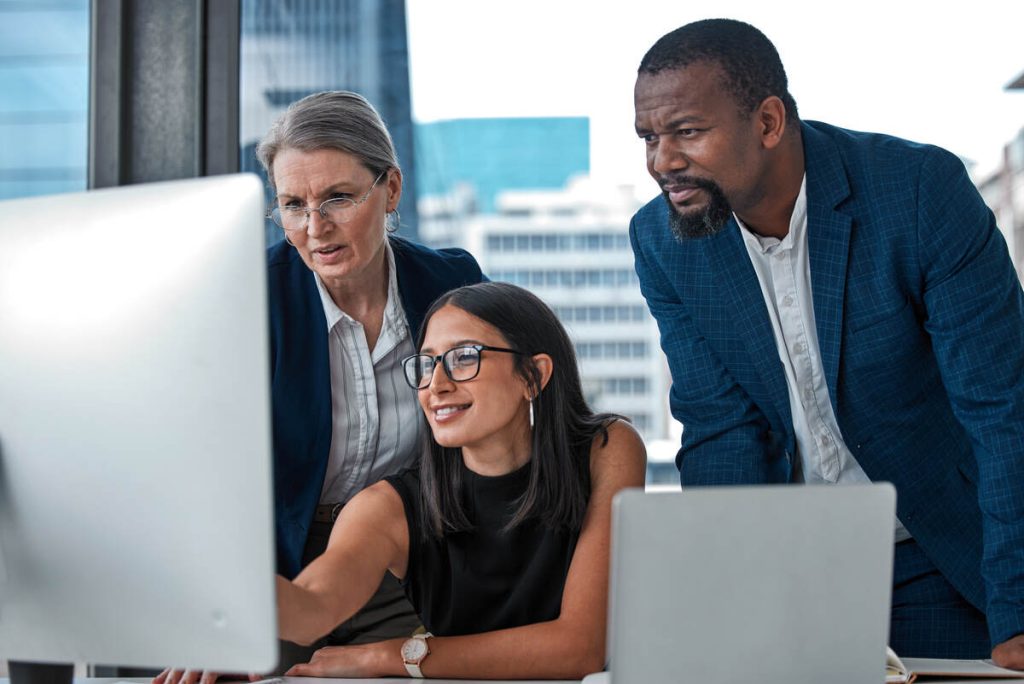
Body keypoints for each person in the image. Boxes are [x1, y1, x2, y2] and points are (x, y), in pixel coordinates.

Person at [629, 18, 1024, 665]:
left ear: (768, 122)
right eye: (648, 137)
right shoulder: (663, 241)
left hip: (943, 550)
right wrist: (724, 609)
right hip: (792, 565)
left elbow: (1003, 411)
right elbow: (721, 428)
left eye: (687, 132)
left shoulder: (920, 194)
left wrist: (1019, 608)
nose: (661, 161)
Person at [160, 282, 646, 682]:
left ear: (533, 376)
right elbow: (314, 606)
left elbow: (578, 650)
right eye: (427, 363)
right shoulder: (388, 506)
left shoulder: (608, 449)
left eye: (463, 358)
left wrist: (391, 656)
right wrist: (232, 603)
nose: (436, 385)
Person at [259, 91, 484, 661]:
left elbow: (492, 431)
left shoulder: (451, 283)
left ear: (390, 190)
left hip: (410, 557)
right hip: (280, 559)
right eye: (292, 205)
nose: (315, 228)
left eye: (337, 198)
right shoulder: (251, 298)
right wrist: (218, 611)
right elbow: (207, 474)